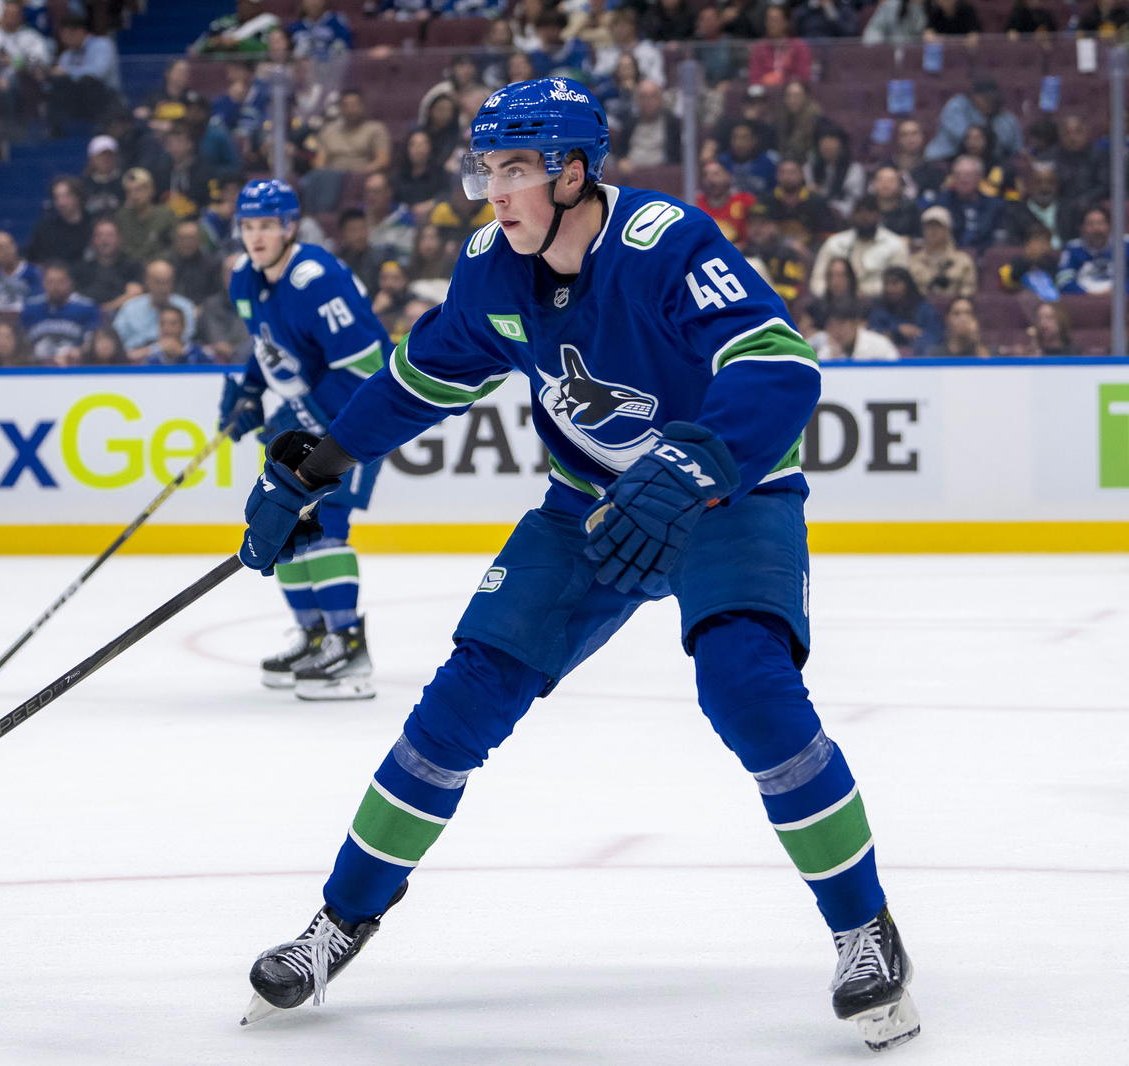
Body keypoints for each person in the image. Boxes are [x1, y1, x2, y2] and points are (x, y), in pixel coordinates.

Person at [234, 78, 920, 1054]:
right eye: (487, 169)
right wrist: (309, 470)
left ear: (571, 170)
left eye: (515, 169)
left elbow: (780, 364)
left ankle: (864, 929)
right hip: (588, 503)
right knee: (458, 705)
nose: (494, 191)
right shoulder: (487, 272)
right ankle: (337, 920)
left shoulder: (665, 245)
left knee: (747, 688)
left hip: (728, 489)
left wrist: (691, 462)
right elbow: (410, 383)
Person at [221, 178, 391, 699]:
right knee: (282, 520)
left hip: (354, 417)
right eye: (249, 226)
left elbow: (367, 365)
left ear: (290, 226)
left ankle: (348, 647)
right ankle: (315, 634)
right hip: (303, 419)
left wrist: (300, 410)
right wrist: (249, 389)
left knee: (329, 521)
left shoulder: (316, 279)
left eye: (268, 225)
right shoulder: (245, 281)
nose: (257, 236)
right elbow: (265, 343)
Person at [808, 197, 909, 301]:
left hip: (880, 303)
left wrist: (863, 294)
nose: (864, 217)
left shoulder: (895, 244)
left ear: (879, 216)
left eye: (869, 212)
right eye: (859, 212)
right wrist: (829, 295)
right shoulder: (835, 243)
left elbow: (901, 282)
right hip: (836, 302)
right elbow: (817, 279)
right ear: (852, 215)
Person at [21, 261, 99, 364]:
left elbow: (92, 342)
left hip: (74, 369)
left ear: (70, 282)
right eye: (50, 282)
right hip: (36, 369)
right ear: (43, 283)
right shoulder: (30, 308)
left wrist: (80, 352)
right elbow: (22, 341)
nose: (55, 287)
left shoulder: (86, 307)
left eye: (60, 282)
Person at [868, 266, 943, 357]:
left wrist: (918, 335)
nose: (889, 289)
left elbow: (936, 338)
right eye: (886, 284)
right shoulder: (879, 311)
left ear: (907, 284)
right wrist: (896, 331)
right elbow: (871, 337)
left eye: (895, 283)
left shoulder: (925, 310)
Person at [908, 205, 977, 299]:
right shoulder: (913, 262)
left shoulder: (963, 260)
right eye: (929, 226)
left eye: (938, 226)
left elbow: (969, 290)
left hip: (954, 308)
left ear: (947, 230)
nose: (933, 231)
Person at [810, 295, 900, 360]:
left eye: (841, 325)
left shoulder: (880, 346)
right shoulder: (826, 352)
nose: (836, 331)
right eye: (831, 326)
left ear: (855, 323)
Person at [1056, 206, 1121, 296]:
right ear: (1081, 228)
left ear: (1109, 226)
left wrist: (1119, 291)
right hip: (1084, 300)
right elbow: (1063, 280)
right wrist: (1086, 294)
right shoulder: (1072, 249)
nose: (1096, 229)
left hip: (1120, 299)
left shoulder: (1124, 246)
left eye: (1101, 223)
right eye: (1090, 224)